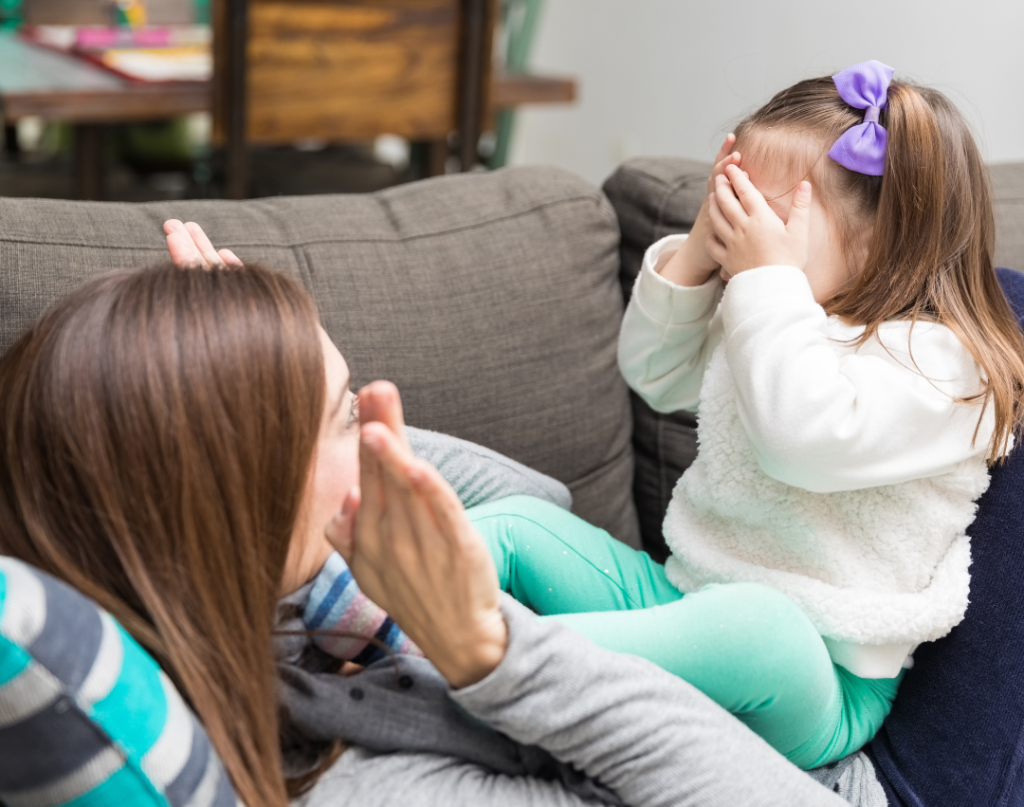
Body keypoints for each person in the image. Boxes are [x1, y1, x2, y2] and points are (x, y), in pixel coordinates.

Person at [308, 59, 1024, 772]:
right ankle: (358, 608)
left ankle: (463, 667)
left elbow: (799, 438)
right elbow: (653, 372)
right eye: (733, 200)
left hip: (817, 677)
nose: (746, 232)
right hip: (679, 593)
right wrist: (697, 246)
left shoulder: (946, 369)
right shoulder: (772, 314)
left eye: (764, 214)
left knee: (757, 627)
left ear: (883, 238)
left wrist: (767, 284)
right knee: (522, 525)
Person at [0, 259, 855, 807]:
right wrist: (493, 653)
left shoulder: (276, 617)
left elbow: (541, 506)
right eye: (344, 416)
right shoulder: (368, 787)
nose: (374, 429)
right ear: (239, 497)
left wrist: (263, 371)